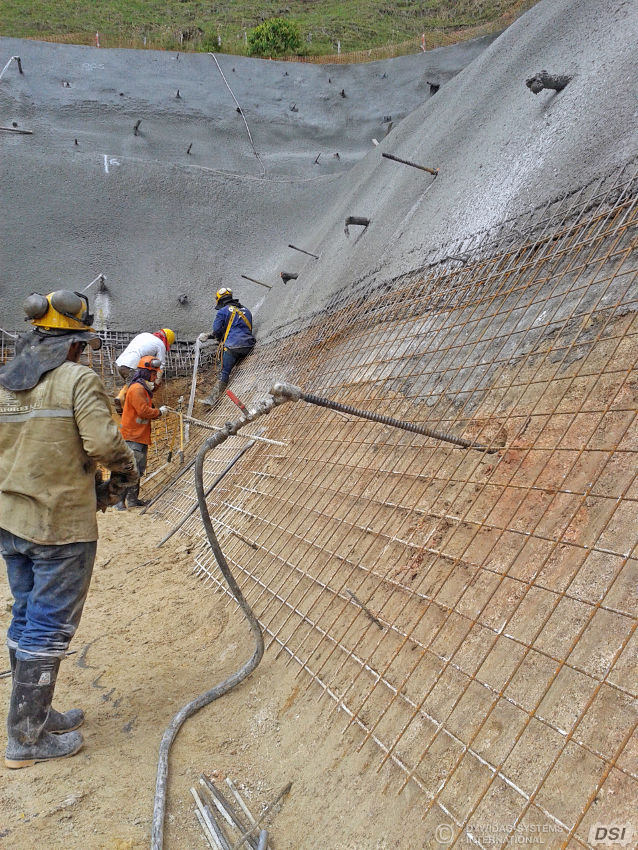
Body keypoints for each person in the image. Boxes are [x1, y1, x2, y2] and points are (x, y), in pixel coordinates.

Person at [0, 289, 138, 769]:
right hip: (60, 526)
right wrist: (122, 478)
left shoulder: (4, 381)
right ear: (74, 344)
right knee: (49, 623)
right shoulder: (77, 379)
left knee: (27, 614)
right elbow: (103, 442)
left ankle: (35, 716)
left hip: (11, 522)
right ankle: (25, 739)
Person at [115, 356, 168, 510]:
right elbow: (143, 411)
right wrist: (159, 412)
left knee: (138, 468)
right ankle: (119, 501)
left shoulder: (142, 388)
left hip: (139, 435)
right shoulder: (137, 389)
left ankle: (132, 500)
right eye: (152, 374)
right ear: (145, 372)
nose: (154, 377)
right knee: (130, 468)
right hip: (132, 436)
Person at [198, 288, 255, 405]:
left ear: (219, 300)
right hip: (249, 346)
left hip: (233, 347)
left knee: (224, 372)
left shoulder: (223, 311)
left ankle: (212, 400)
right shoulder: (246, 310)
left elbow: (217, 331)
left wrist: (208, 336)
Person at [114, 328, 175, 412]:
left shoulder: (144, 335)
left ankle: (120, 398)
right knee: (141, 387)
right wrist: (157, 382)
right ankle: (144, 408)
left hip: (119, 364)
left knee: (130, 384)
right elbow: (161, 365)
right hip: (131, 366)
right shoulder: (160, 344)